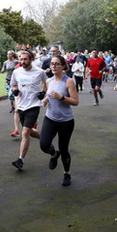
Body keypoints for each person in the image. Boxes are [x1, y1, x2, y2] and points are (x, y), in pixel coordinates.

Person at [40, 55, 79, 186]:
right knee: (44, 144)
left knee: (64, 148)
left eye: (57, 64)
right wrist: (46, 100)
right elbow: (48, 95)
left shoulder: (68, 81)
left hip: (66, 121)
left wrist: (61, 97)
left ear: (63, 66)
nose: (54, 66)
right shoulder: (48, 81)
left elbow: (75, 101)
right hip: (50, 118)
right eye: (52, 64)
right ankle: (53, 154)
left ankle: (67, 173)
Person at [10, 50, 47, 171]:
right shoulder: (16, 72)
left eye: (25, 59)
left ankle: (20, 159)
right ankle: (45, 140)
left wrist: (43, 92)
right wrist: (15, 90)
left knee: (25, 132)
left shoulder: (39, 72)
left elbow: (46, 82)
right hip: (21, 105)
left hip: (34, 105)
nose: (22, 61)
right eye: (20, 59)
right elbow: (14, 84)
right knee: (30, 131)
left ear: (31, 59)